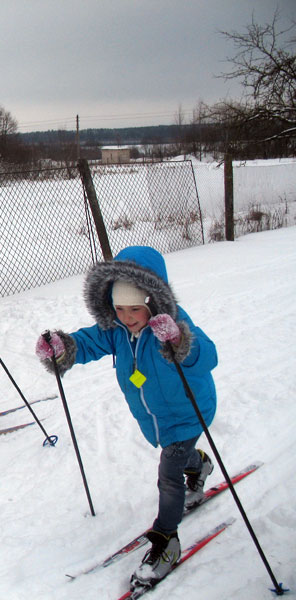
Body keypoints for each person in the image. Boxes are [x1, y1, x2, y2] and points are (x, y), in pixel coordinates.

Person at [34, 245, 217, 588]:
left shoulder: (174, 324)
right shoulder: (117, 329)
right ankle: (200, 464)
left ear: (153, 300)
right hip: (156, 417)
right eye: (120, 309)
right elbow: (88, 342)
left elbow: (208, 357)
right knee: (176, 457)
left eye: (135, 308)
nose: (128, 316)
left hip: (188, 411)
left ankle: (167, 539)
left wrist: (179, 341)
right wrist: (63, 347)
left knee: (168, 474)